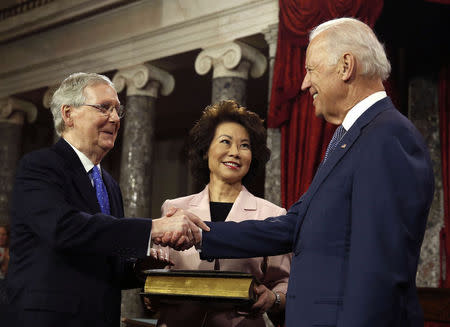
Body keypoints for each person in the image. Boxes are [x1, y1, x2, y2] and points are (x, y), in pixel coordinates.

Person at [190, 18, 434, 327]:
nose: (305, 84)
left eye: (311, 70)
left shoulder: (387, 137)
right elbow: (293, 226)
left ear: (346, 66)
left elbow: (377, 276)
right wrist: (198, 233)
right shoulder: (351, 138)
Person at [5, 72, 208, 327]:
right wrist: (154, 227)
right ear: (69, 114)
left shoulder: (110, 185)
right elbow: (64, 228)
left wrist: (139, 266)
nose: (115, 118)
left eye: (117, 110)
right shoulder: (39, 166)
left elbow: (103, 259)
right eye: (104, 108)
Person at [155, 100, 291, 327]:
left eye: (244, 146)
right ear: (206, 150)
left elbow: (284, 283)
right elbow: (161, 267)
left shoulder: (273, 213)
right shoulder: (173, 209)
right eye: (225, 142)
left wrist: (274, 298)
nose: (235, 153)